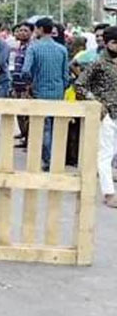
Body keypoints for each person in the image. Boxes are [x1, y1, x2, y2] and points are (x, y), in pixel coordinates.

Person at [75, 26, 117, 208]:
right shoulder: (98, 63)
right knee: (105, 154)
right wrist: (97, 103)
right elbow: (79, 85)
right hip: (107, 113)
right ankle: (109, 193)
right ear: (107, 43)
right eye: (115, 43)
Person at [22, 18, 69, 170]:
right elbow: (66, 75)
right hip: (58, 92)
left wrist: (29, 85)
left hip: (40, 92)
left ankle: (48, 160)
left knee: (45, 128)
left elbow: (25, 71)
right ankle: (58, 159)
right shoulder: (62, 49)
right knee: (58, 127)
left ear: (41, 29)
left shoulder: (33, 48)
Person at [12, 22, 34, 148]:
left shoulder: (32, 48)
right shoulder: (19, 47)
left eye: (25, 30)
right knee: (19, 113)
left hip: (26, 86)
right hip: (16, 85)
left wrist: (29, 85)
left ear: (31, 32)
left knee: (26, 114)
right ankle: (24, 136)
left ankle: (29, 140)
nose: (22, 33)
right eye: (20, 30)